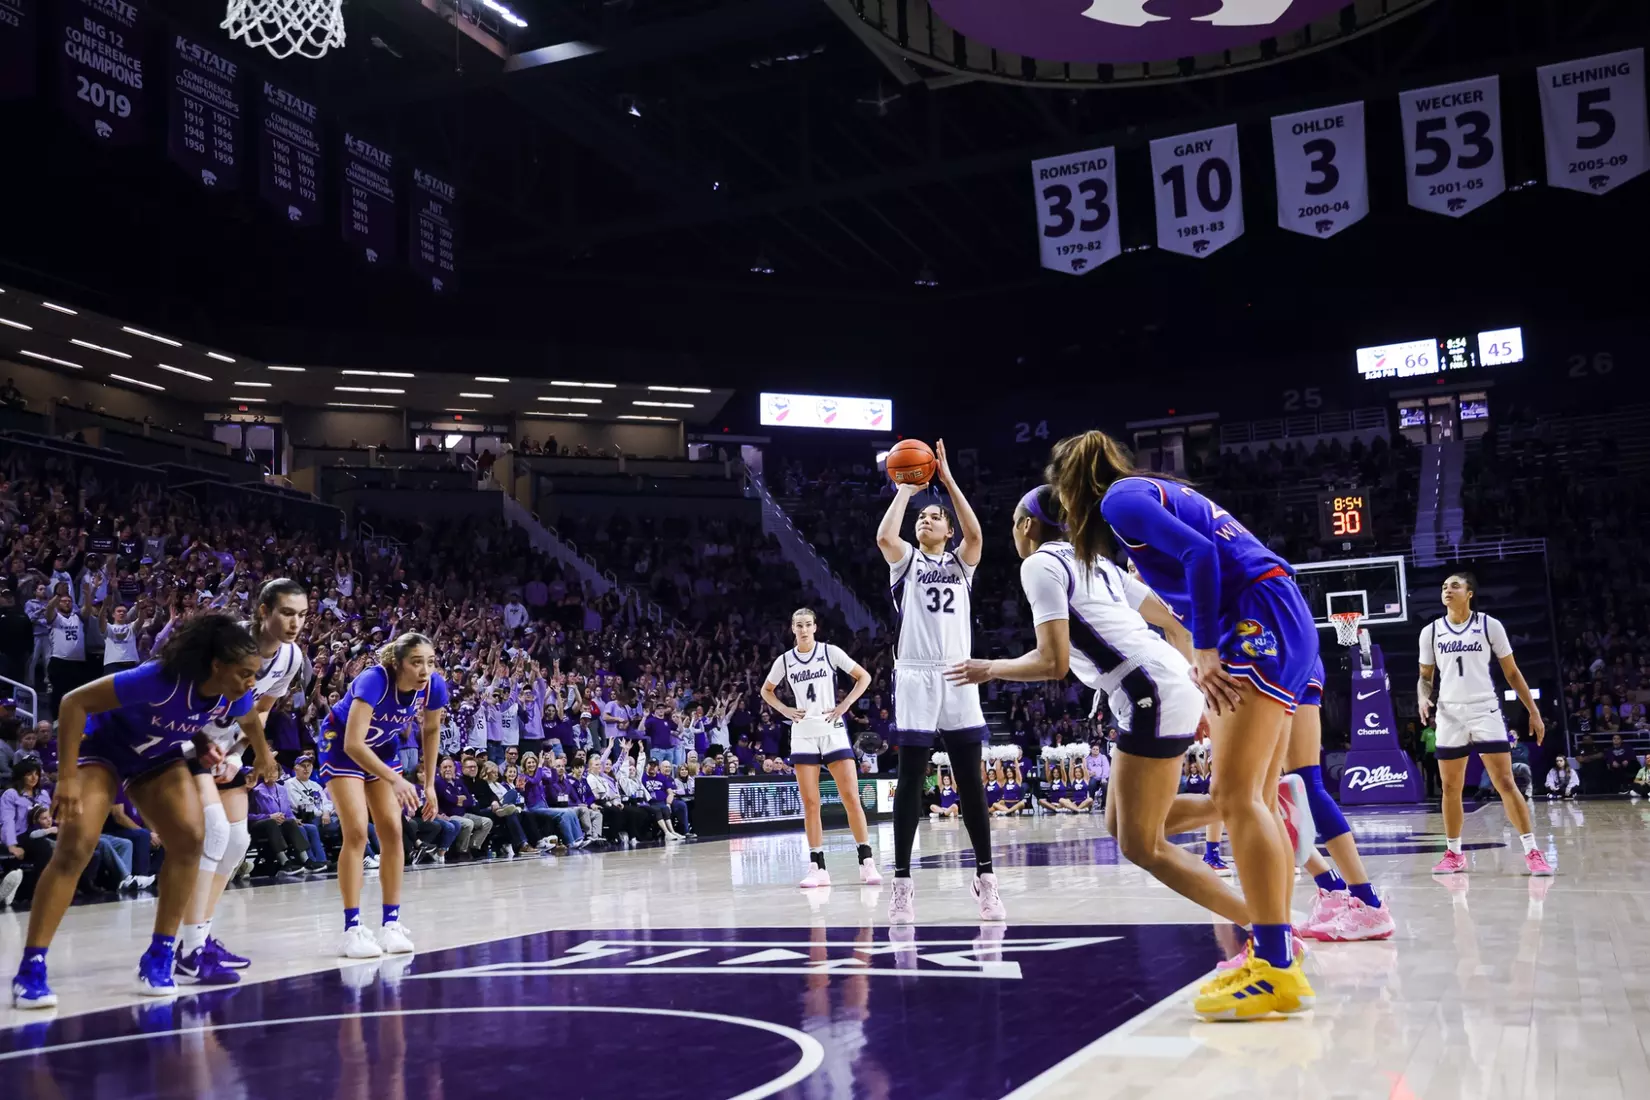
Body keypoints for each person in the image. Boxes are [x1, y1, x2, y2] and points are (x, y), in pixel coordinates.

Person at [1042, 432, 1318, 1019]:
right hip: (1280, 611)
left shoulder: (1119, 500)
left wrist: (1209, 648)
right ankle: (1275, 954)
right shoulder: (1146, 493)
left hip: (1255, 617)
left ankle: (1275, 968)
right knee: (1255, 798)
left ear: (1073, 483)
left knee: (1237, 797)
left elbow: (1201, 555)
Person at [947, 484, 1260, 971]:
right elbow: (1176, 624)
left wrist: (989, 668)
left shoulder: (1039, 565)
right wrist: (1195, 684)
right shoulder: (1100, 563)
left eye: (1012, 523)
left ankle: (1265, 927)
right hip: (1166, 681)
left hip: (1146, 690)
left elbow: (1052, 663)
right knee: (1120, 823)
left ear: (1027, 526)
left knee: (1141, 845)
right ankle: (1261, 803)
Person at [10, 611, 261, 1009]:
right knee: (76, 847)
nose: (252, 683)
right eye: (246, 673)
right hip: (102, 749)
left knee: (190, 840)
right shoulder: (158, 677)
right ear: (217, 665)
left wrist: (207, 741)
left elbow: (220, 716)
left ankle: (159, 957)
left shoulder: (234, 692)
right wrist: (68, 777)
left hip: (155, 755)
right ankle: (31, 968)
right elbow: (74, 703)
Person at [877, 439, 1002, 923]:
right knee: (911, 779)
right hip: (914, 674)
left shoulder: (961, 565)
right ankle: (902, 883)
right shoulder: (906, 561)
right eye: (921, 520)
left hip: (959, 672)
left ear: (947, 530)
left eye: (934, 518)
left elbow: (976, 536)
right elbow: (886, 538)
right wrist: (906, 489)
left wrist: (946, 481)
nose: (924, 522)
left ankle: (986, 879)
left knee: (970, 780)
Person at [175, 578, 309, 985]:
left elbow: (262, 709)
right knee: (214, 833)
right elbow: (183, 697)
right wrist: (209, 748)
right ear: (263, 610)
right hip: (185, 740)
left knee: (237, 841)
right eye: (287, 612)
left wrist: (240, 754)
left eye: (302, 614)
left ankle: (198, 938)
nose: (295, 622)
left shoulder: (290, 658)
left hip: (225, 748)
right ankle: (186, 949)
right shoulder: (226, 642)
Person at [318, 632, 446, 959]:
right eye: (416, 662)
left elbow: (430, 731)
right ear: (397, 662)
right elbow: (353, 744)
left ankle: (391, 924)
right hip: (341, 746)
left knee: (392, 830)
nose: (424, 670)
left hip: (382, 747)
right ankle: (352, 929)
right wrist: (397, 780)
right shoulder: (374, 679)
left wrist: (428, 784)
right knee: (358, 831)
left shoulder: (433, 686)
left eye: (430, 662)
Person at [1418, 573, 1552, 876]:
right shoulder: (1431, 632)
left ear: (1469, 593)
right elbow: (1425, 677)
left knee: (1505, 782)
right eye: (1443, 587)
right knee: (1450, 787)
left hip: (1484, 709)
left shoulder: (1489, 625)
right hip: (1449, 713)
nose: (1447, 590)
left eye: (1454, 586)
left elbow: (1512, 672)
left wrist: (1533, 711)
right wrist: (1422, 699)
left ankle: (1532, 851)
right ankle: (1454, 853)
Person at [760, 607, 881, 888]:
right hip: (803, 733)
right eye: (798, 625)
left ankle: (866, 862)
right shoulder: (785, 660)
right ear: (792, 629)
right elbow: (766, 690)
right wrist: (784, 709)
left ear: (815, 627)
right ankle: (817, 867)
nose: (803, 629)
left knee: (851, 797)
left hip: (833, 730)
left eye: (807, 624)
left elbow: (864, 677)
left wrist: (845, 705)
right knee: (811, 803)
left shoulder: (830, 652)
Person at [1289, 659, 1395, 942]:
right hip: (1256, 659)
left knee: (1304, 784)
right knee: (1266, 794)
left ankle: (1368, 902)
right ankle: (1332, 887)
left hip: (1278, 654)